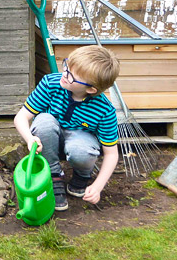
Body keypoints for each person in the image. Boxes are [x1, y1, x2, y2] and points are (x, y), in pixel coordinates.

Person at [13, 45, 121, 211]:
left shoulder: (104, 110)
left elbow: (111, 153)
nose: (64, 74)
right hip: (49, 141)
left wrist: (98, 186)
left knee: (80, 150)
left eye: (71, 76)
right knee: (43, 121)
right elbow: (21, 117)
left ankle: (82, 176)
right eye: (66, 67)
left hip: (79, 146)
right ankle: (54, 175)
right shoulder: (51, 84)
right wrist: (29, 138)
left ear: (91, 89)